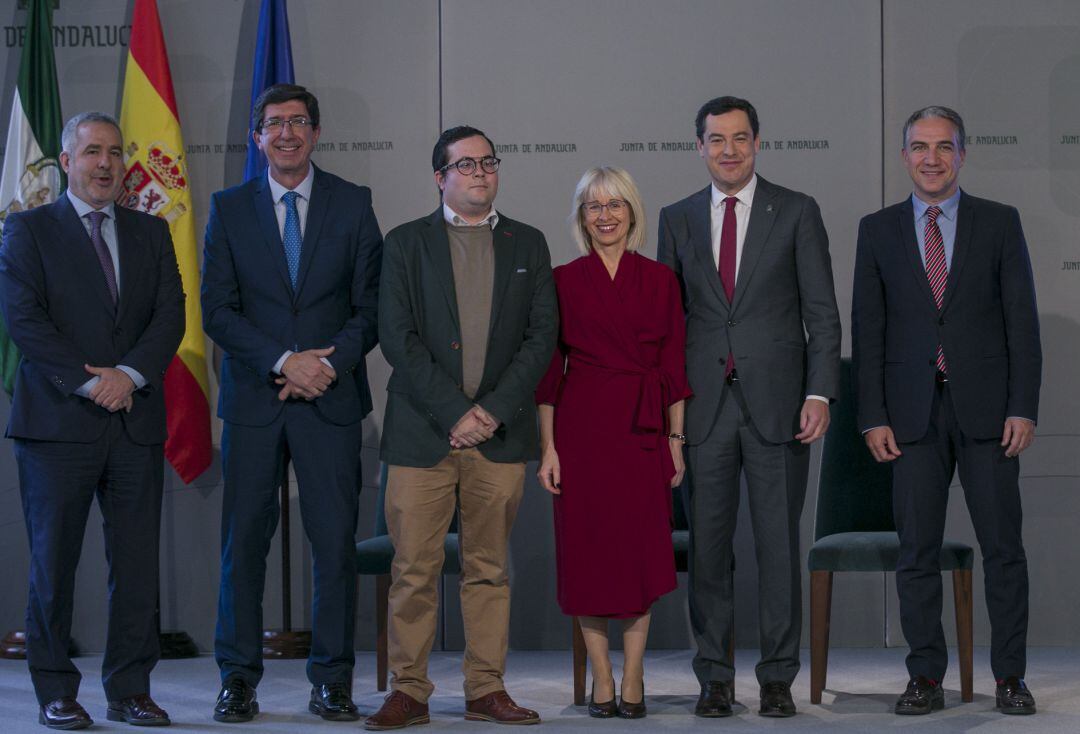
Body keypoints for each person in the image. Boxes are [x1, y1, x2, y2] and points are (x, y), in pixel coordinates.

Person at [201, 83, 383, 723]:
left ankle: (332, 679)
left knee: (334, 546)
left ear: (315, 132)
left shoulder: (352, 204)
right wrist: (284, 362)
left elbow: (371, 308)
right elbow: (217, 311)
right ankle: (238, 679)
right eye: (274, 123)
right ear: (258, 136)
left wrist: (324, 365)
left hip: (330, 399)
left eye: (298, 122)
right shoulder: (228, 209)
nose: (286, 133)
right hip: (257, 399)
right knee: (242, 546)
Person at [852, 105, 1041, 716]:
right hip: (910, 417)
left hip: (989, 414)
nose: (931, 158)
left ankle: (1010, 677)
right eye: (919, 147)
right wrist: (872, 415)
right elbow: (869, 329)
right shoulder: (876, 230)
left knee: (1004, 551)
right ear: (903, 155)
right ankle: (925, 679)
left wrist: (1023, 406)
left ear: (963, 153)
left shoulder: (999, 223)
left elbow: (1022, 325)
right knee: (917, 553)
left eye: (943, 147)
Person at [365, 125, 556, 730]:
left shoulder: (529, 243)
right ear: (440, 178)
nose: (479, 172)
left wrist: (491, 411)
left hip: (498, 436)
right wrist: (455, 412)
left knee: (489, 567)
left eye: (488, 162)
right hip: (423, 434)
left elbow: (541, 338)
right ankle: (409, 691)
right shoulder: (404, 243)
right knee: (414, 568)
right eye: (465, 164)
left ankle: (485, 689)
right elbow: (397, 337)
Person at [657, 96, 841, 718]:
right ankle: (713, 676)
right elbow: (667, 322)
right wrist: (671, 415)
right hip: (704, 410)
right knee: (708, 548)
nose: (728, 150)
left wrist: (819, 392)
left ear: (758, 143)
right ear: (699, 146)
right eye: (716, 139)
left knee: (776, 545)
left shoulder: (795, 210)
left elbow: (822, 312)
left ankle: (778, 679)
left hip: (780, 408)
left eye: (740, 138)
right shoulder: (677, 218)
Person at [0, 111, 185, 729]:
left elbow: (169, 318)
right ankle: (56, 689)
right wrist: (90, 382)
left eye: (113, 152)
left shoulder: (151, 232)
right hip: (57, 426)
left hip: (133, 421)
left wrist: (126, 377)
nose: (105, 164)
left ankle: (130, 689)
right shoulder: (28, 230)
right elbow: (25, 323)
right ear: (67, 160)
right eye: (91, 153)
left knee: (136, 567)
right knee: (54, 565)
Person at [535, 167, 691, 720]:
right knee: (588, 558)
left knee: (637, 558)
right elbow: (549, 374)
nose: (605, 215)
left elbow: (674, 366)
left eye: (614, 204)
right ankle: (602, 678)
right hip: (581, 434)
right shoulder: (561, 280)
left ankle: (634, 676)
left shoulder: (661, 280)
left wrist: (676, 439)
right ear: (582, 217)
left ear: (632, 211)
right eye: (593, 206)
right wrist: (549, 449)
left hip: (642, 433)